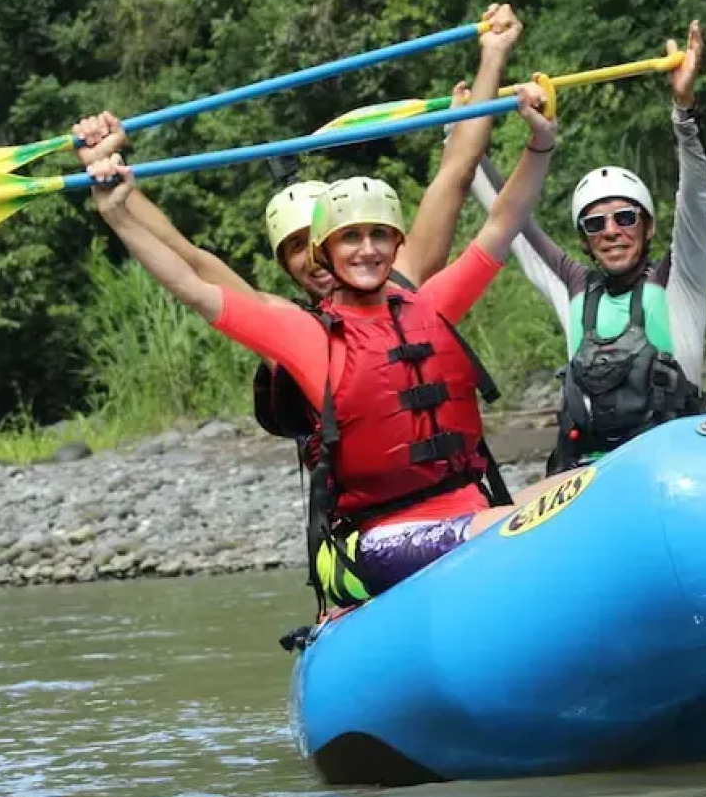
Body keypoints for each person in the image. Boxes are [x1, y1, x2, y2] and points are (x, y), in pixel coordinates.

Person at [80, 86, 557, 609]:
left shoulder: (432, 305)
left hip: (474, 511)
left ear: (398, 245)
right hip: (376, 543)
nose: (367, 250)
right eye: (350, 238)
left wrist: (539, 142)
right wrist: (117, 212)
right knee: (509, 524)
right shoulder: (303, 335)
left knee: (580, 485)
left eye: (380, 236)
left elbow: (502, 220)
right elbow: (193, 282)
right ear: (323, 252)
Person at [494, 21, 706, 471]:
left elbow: (694, 201)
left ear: (648, 228)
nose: (611, 230)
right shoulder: (572, 288)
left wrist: (683, 112)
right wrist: (468, 133)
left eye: (625, 217)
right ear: (586, 239)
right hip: (588, 477)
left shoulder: (679, 280)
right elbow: (507, 217)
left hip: (673, 468)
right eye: (596, 223)